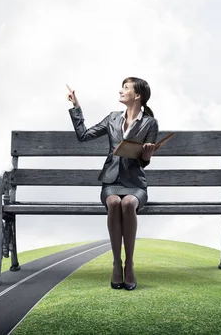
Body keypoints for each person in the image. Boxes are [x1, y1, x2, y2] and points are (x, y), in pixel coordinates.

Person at [66, 77, 159, 291]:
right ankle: (117, 263)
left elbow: (144, 162)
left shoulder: (150, 123)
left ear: (137, 96)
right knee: (115, 202)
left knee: (128, 204)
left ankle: (130, 264)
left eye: (126, 88)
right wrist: (76, 106)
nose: (121, 90)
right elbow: (83, 135)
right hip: (111, 181)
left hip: (136, 184)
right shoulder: (112, 118)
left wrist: (146, 154)